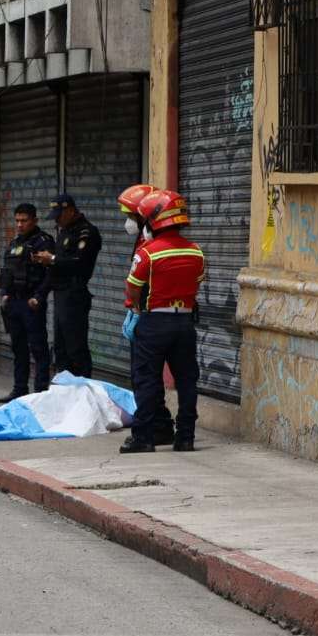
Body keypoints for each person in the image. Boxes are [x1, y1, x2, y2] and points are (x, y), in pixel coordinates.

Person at [119, 189, 205, 454]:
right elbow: (196, 286)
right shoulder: (196, 252)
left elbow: (132, 291)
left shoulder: (147, 254)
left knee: (146, 380)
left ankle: (143, 437)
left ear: (154, 221)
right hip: (185, 324)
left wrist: (136, 310)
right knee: (187, 380)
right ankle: (185, 437)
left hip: (154, 323)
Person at [118, 183, 175, 446]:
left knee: (144, 377)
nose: (128, 223)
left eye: (132, 217)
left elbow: (141, 282)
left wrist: (137, 309)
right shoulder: (144, 239)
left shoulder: (152, 244)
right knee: (146, 377)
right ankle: (161, 425)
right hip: (152, 315)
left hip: (151, 317)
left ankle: (147, 431)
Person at [32, 194, 101, 378]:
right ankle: (63, 392)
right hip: (61, 295)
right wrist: (40, 294)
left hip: (75, 295)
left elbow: (79, 262)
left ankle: (83, 392)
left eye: (59, 215)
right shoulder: (64, 232)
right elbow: (55, 270)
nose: (57, 221)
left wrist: (53, 259)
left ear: (70, 211)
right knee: (61, 348)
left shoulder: (86, 232)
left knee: (76, 348)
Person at [0, 202, 54, 403]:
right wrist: (4, 293)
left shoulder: (43, 242)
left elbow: (50, 275)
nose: (20, 224)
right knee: (18, 348)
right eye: (17, 220)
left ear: (34, 221)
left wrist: (39, 297)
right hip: (14, 303)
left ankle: (40, 392)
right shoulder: (15, 244)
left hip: (32, 303)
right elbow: (6, 273)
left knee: (38, 348)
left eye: (24, 220)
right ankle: (19, 388)